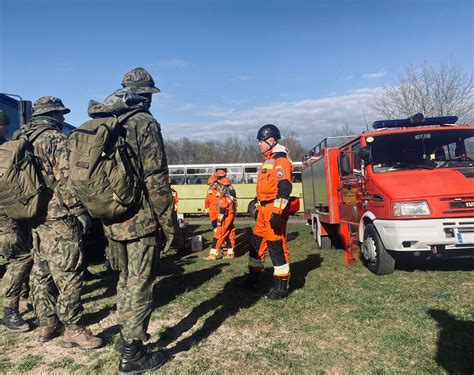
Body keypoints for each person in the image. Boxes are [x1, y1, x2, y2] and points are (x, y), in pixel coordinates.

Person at [92, 67, 175, 373]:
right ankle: (133, 354)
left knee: (125, 281)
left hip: (112, 217)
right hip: (140, 220)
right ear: (146, 96)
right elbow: (155, 178)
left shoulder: (107, 121)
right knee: (141, 284)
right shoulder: (144, 123)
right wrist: (169, 224)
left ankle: (127, 337)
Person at [21, 97, 102, 347]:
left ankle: (46, 323)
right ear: (54, 115)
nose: (64, 119)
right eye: (61, 114)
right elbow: (66, 178)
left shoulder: (21, 137)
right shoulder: (55, 138)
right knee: (69, 272)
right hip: (57, 215)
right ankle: (74, 328)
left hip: (32, 215)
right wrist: (79, 210)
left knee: (41, 270)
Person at [239, 124, 293, 300]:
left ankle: (281, 287)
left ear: (271, 140)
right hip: (263, 209)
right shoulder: (268, 159)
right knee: (256, 243)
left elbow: (284, 187)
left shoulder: (280, 160)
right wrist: (257, 204)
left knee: (276, 245)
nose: (258, 145)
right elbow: (266, 186)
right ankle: (253, 279)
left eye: (260, 141)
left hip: (273, 210)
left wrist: (277, 213)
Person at [0, 110, 33, 332]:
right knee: (21, 257)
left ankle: (21, 296)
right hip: (3, 216)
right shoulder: (6, 149)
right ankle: (9, 311)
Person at [204, 177, 237, 260]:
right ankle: (230, 253)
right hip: (230, 217)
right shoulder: (230, 196)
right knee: (230, 234)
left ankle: (213, 254)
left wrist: (219, 221)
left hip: (225, 218)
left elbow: (222, 210)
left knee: (218, 234)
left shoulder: (225, 198)